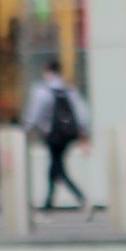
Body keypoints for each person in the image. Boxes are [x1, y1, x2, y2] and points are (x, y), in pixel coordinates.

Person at [22, 60, 92, 218]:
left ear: (47, 72)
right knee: (54, 169)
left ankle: (82, 200)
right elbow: (82, 113)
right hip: (67, 136)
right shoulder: (69, 89)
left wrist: (24, 129)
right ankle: (47, 207)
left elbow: (34, 113)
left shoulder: (42, 90)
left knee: (58, 170)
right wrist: (83, 133)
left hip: (52, 136)